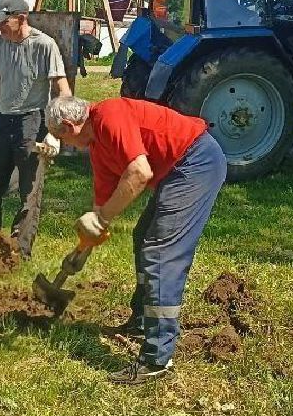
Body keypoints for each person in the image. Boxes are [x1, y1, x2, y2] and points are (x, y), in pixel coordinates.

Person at [44, 93, 227, 385]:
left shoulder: (109, 115)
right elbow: (101, 207)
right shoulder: (98, 147)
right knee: (144, 237)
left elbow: (139, 172)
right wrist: (84, 247)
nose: (65, 145)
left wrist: (100, 220)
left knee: (160, 253)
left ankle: (157, 358)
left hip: (196, 161)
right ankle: (142, 321)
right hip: (175, 170)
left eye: (60, 137)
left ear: (69, 125)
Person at [0, 0, 71, 260]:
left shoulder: (44, 45)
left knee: (29, 192)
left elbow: (62, 89)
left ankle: (19, 253)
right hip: (2, 119)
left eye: (2, 22)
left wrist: (55, 132)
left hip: (32, 121)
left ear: (21, 19)